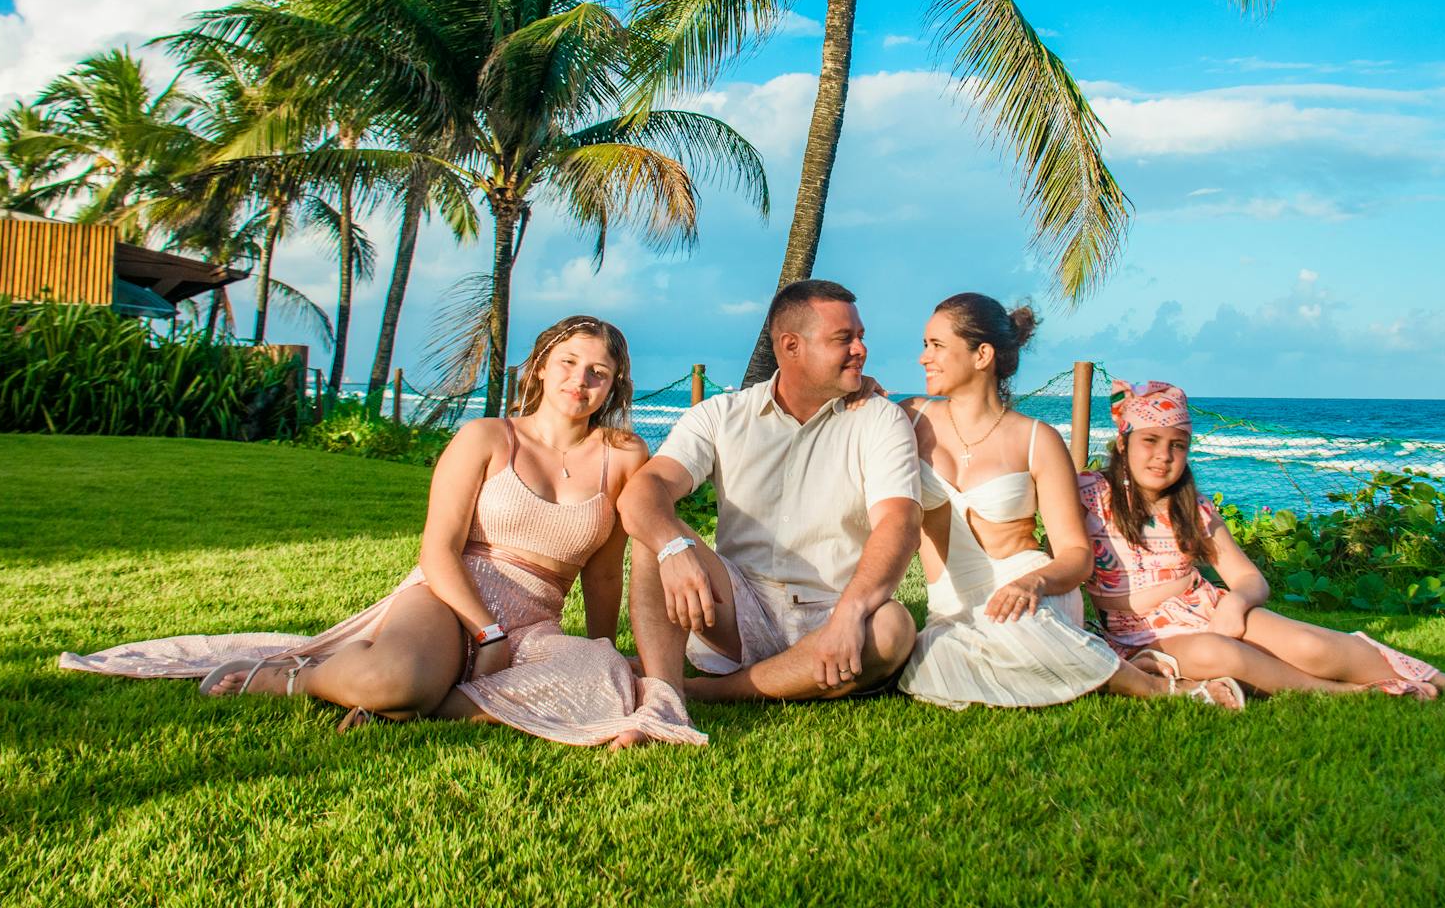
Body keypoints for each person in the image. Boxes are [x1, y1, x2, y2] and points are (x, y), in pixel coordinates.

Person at [60, 316, 705, 749]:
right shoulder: (486, 438)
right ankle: (293, 678)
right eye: (568, 363)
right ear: (538, 368)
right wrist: (487, 630)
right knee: (396, 682)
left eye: (598, 371)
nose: (580, 381)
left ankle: (430, 693)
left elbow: (601, 568)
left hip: (537, 617)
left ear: (615, 383)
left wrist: (592, 653)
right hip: (452, 597)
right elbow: (438, 550)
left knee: (608, 679)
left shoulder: (623, 455)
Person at [1078, 379, 1445, 700]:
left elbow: (1248, 579)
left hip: (1206, 609)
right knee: (1219, 652)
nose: (1164, 455)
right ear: (1123, 444)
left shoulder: (1193, 509)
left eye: (1178, 444)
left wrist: (1235, 602)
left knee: (1314, 645)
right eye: (1150, 440)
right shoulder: (1088, 494)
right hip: (1139, 634)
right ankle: (1344, 695)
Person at [897, 295, 1240, 708]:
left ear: (981, 355)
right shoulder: (909, 419)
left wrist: (1032, 583)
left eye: (936, 345)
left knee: (1016, 631)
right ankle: (1098, 659)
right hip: (952, 604)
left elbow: (1077, 556)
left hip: (1034, 590)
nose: (922, 358)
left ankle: (1159, 688)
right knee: (934, 660)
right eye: (925, 344)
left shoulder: (1036, 440)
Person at [618, 279, 921, 702]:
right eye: (843, 339)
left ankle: (707, 692)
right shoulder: (722, 415)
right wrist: (673, 548)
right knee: (656, 530)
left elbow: (898, 522)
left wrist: (850, 613)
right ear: (791, 346)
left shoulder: (879, 419)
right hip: (734, 608)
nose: (860, 350)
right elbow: (643, 490)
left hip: (833, 609)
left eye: (860, 336)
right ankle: (665, 698)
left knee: (893, 630)